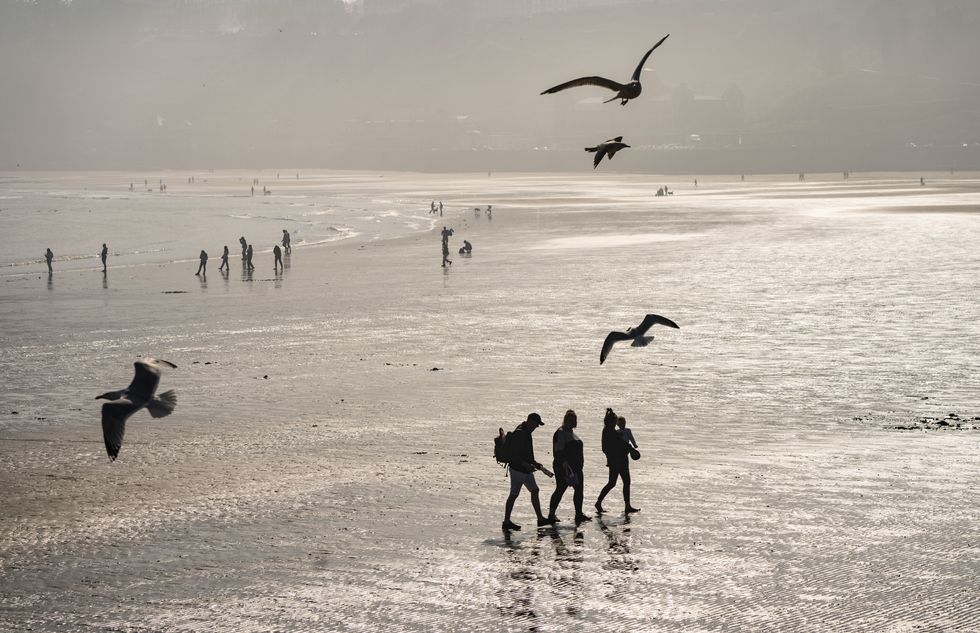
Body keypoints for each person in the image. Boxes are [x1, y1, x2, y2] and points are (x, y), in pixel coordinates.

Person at [502, 413, 554, 531]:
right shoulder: (520, 433)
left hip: (525, 469)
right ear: (530, 421)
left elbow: (527, 453)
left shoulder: (526, 432)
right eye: (536, 424)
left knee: (535, 490)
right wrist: (527, 465)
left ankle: (540, 519)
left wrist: (535, 464)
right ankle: (506, 522)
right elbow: (514, 455)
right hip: (517, 470)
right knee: (514, 495)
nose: (537, 427)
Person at [548, 410, 591, 525]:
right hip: (564, 467)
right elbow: (558, 450)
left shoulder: (571, 432)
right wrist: (564, 463)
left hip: (576, 468)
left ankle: (579, 514)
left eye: (575, 420)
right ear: (566, 420)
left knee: (579, 490)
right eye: (571, 421)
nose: (574, 423)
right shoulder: (561, 432)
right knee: (560, 489)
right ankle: (551, 514)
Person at [595, 408, 640, 515]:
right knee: (618, 482)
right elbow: (612, 446)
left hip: (618, 459)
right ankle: (600, 502)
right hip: (617, 460)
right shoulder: (609, 431)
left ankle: (625, 505)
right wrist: (630, 448)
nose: (616, 422)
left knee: (616, 482)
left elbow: (614, 445)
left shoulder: (610, 430)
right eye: (615, 420)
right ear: (611, 421)